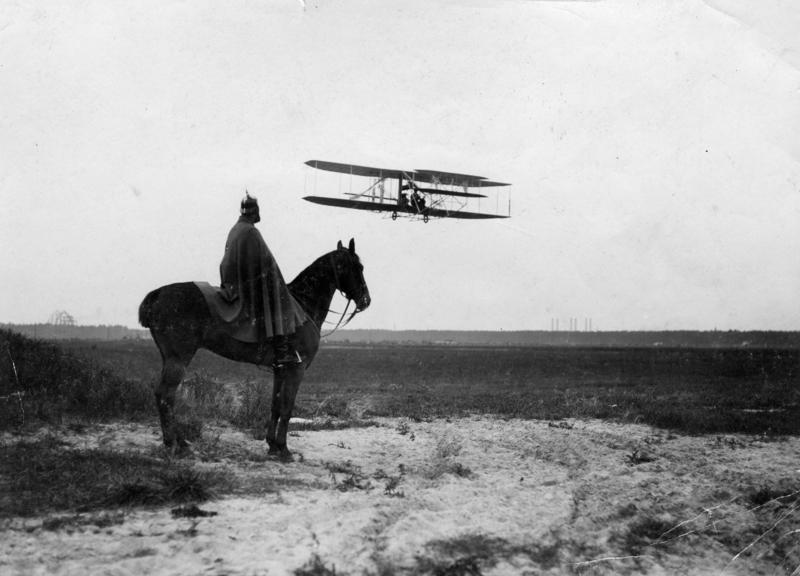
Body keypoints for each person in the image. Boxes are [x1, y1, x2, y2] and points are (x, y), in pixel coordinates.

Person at [219, 192, 305, 368]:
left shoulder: (236, 229)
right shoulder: (250, 231)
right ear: (254, 212)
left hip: (232, 283)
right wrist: (277, 280)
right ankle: (281, 352)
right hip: (245, 286)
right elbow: (268, 262)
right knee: (278, 298)